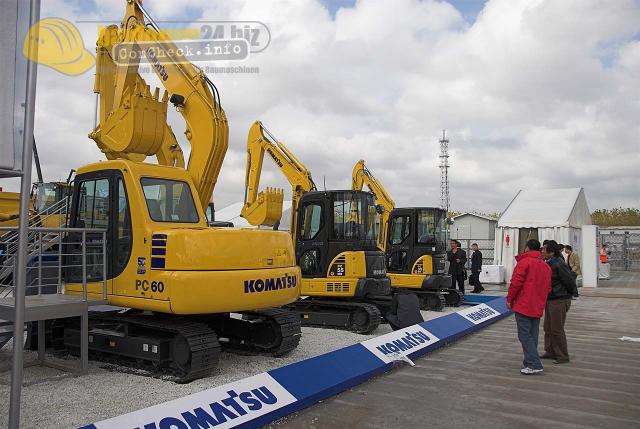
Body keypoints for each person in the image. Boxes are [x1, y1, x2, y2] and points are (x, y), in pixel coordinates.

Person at [506, 239, 551, 375]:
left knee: (525, 335)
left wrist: (510, 299)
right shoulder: (545, 266)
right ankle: (529, 362)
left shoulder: (524, 263)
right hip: (537, 304)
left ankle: (534, 363)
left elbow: (515, 283)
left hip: (524, 304)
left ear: (527, 248)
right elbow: (548, 288)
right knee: (532, 335)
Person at [541, 240, 578, 364]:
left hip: (559, 299)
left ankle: (562, 355)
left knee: (557, 328)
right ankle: (550, 351)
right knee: (548, 327)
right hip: (551, 299)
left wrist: (569, 295)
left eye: (543, 250)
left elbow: (569, 280)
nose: (542, 252)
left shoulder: (558, 263)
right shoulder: (549, 262)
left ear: (550, 252)